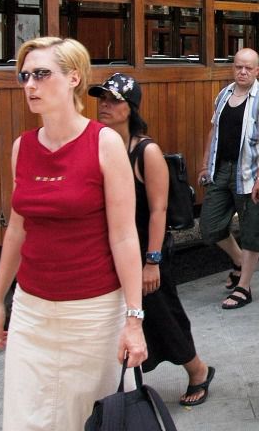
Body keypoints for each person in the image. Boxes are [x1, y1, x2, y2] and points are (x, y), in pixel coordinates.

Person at [0, 37, 147, 429]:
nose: (30, 85)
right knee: (26, 418)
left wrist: (134, 319)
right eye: (25, 76)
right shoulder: (22, 147)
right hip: (31, 310)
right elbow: (17, 228)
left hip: (92, 313)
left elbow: (125, 236)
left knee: (85, 418)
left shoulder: (104, 144)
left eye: (42, 74)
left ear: (74, 78)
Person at [90, 73, 215, 407]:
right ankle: (130, 387)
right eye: (102, 98)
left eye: (113, 100)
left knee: (163, 316)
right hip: (112, 249)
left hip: (146, 248)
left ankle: (198, 370)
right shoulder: (99, 146)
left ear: (130, 108)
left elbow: (159, 210)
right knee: (121, 320)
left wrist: (152, 261)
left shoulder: (146, 151)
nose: (104, 105)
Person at [199, 48, 259, 310]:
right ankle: (239, 262)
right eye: (238, 67)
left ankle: (244, 287)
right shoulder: (224, 94)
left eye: (248, 68)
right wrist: (204, 164)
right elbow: (215, 130)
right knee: (209, 225)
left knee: (251, 231)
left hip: (251, 173)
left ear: (257, 70)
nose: (242, 72)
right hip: (221, 169)